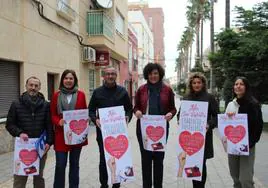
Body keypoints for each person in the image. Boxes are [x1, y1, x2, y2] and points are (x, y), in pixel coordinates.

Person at [133, 63, 177, 188]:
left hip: (161, 131)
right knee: (146, 160)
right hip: (143, 130)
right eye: (151, 73)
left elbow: (173, 108)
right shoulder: (141, 89)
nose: (153, 76)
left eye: (156, 73)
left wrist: (170, 114)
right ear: (147, 74)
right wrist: (137, 111)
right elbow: (135, 106)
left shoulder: (167, 90)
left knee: (158, 160)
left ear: (160, 74)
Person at [88, 66, 133, 188]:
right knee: (103, 159)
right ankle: (103, 184)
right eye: (108, 74)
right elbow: (91, 110)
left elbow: (129, 109)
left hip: (119, 133)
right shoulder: (97, 92)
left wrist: (127, 117)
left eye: (113, 74)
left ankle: (116, 183)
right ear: (104, 76)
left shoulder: (122, 91)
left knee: (117, 159)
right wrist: (95, 119)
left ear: (116, 76)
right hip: (103, 132)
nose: (110, 76)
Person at [6, 76, 53, 188]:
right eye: (31, 85)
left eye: (36, 86)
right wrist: (19, 133)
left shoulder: (46, 105)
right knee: (20, 177)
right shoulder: (16, 104)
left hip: (40, 147)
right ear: (26, 86)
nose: (33, 88)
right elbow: (9, 124)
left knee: (38, 176)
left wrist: (49, 142)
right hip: (23, 147)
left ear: (40, 87)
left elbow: (49, 125)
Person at [177, 72, 218, 188]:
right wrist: (180, 120)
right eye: (194, 83)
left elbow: (216, 116)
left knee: (201, 164)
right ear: (191, 84)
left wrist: (209, 125)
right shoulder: (187, 98)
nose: (196, 85)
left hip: (203, 137)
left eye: (199, 82)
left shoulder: (209, 98)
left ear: (203, 84)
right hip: (189, 138)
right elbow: (180, 114)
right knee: (191, 163)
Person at [50, 69, 88, 188]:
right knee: (60, 165)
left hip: (76, 135)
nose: (68, 80)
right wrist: (58, 121)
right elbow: (52, 114)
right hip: (61, 135)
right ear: (62, 80)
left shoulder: (81, 94)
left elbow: (84, 112)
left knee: (74, 164)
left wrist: (86, 120)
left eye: (71, 78)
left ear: (74, 80)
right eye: (66, 78)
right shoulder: (56, 95)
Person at [225, 77, 263, 188]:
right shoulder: (231, 104)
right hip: (232, 145)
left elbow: (258, 125)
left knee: (245, 179)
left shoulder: (253, 104)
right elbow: (226, 125)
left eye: (241, 84)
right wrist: (228, 118)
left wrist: (251, 142)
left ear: (246, 87)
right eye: (236, 84)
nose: (238, 86)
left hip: (247, 146)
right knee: (235, 177)